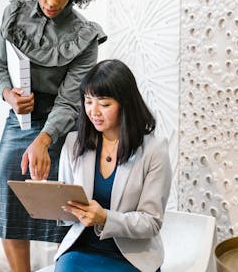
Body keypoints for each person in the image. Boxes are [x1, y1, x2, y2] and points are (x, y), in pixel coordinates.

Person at [0, 0, 106, 272]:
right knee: (5, 184)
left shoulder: (85, 37)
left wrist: (44, 140)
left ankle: (63, 267)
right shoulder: (13, 14)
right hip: (21, 119)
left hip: (65, 124)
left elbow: (71, 101)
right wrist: (8, 95)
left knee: (63, 203)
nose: (52, 1)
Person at [55, 59, 172, 272]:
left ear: (125, 103)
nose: (94, 111)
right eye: (88, 101)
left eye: (104, 103)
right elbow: (65, 210)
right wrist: (50, 201)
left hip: (133, 256)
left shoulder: (155, 150)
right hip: (82, 250)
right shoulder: (74, 143)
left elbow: (152, 222)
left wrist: (105, 218)